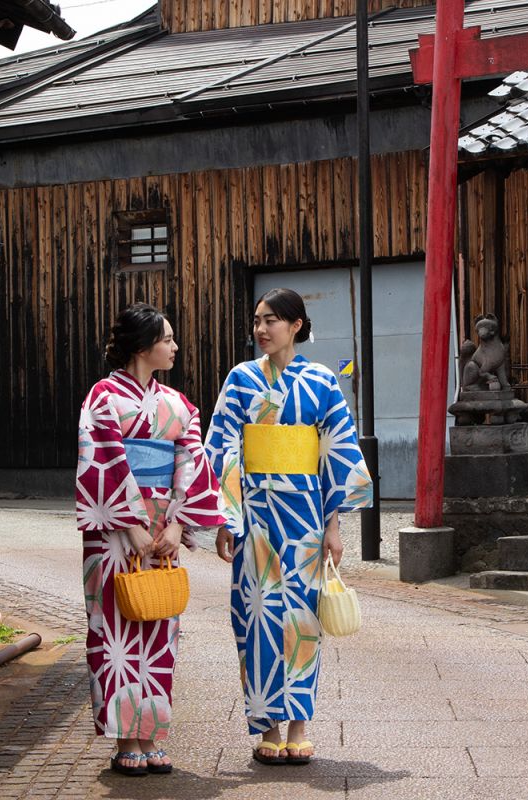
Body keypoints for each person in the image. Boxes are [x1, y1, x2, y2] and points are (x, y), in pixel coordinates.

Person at [205, 288, 372, 766]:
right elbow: (223, 450)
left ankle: (299, 724)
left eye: (272, 320)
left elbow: (334, 455)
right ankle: (267, 726)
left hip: (304, 514)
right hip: (254, 513)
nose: (262, 329)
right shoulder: (240, 380)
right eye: (257, 320)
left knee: (302, 618)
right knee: (255, 616)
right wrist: (226, 517)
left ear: (297, 325)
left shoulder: (321, 381)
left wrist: (334, 528)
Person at [75, 303, 226, 777]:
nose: (175, 347)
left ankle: (152, 734)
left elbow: (192, 462)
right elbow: (104, 461)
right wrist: (131, 523)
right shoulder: (103, 397)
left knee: (160, 630)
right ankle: (125, 739)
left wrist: (179, 524)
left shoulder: (180, 405)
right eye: (167, 339)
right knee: (115, 631)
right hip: (115, 531)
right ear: (143, 347)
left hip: (164, 529)